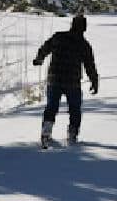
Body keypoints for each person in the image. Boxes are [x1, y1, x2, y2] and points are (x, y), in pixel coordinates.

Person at [32, 14, 98, 148]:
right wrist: (94, 81)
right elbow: (89, 65)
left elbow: (45, 48)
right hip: (72, 82)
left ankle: (46, 132)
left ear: (71, 25)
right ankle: (72, 134)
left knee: (51, 107)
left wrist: (39, 59)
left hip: (54, 79)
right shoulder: (84, 44)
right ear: (84, 28)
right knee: (75, 109)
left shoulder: (58, 37)